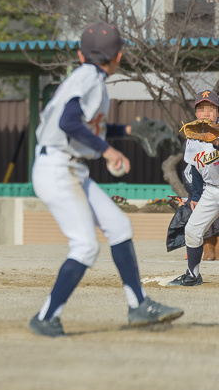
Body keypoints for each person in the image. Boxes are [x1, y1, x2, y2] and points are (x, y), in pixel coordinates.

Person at [28, 21, 183, 337]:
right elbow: (69, 122)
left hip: (68, 167)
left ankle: (138, 305)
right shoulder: (89, 79)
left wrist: (125, 132)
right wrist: (109, 152)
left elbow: (80, 125)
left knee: (119, 226)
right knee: (85, 246)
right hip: (57, 168)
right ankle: (45, 317)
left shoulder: (85, 77)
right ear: (119, 56)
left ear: (80, 54)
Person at [168, 90, 219, 286]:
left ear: (217, 112)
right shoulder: (192, 138)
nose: (206, 113)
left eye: (211, 108)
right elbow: (196, 169)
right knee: (192, 230)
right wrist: (196, 196)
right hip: (212, 190)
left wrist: (214, 140)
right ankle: (193, 275)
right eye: (201, 109)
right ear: (196, 113)